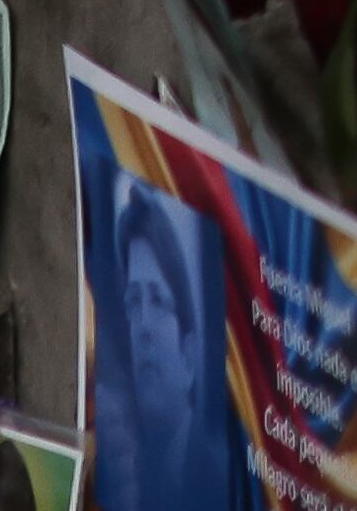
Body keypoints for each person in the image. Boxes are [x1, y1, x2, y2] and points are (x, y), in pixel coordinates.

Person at [98, 180, 248, 509]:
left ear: (191, 351)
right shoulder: (124, 470)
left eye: (159, 301)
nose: (144, 327)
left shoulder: (216, 474)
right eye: (134, 302)